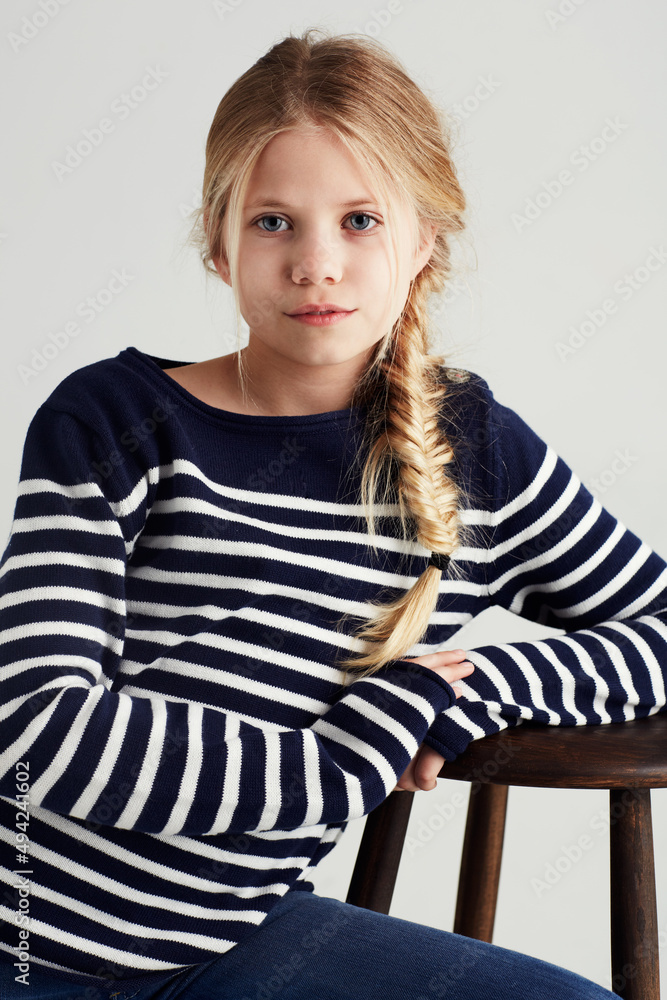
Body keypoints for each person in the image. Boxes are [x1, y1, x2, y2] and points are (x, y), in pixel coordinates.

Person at [0, 26, 663, 1000]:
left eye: (359, 220)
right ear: (218, 243)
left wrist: (465, 687)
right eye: (275, 222)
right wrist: (336, 763)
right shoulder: (115, 419)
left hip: (234, 945)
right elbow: (40, 727)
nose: (317, 263)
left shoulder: (472, 451)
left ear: (423, 239)